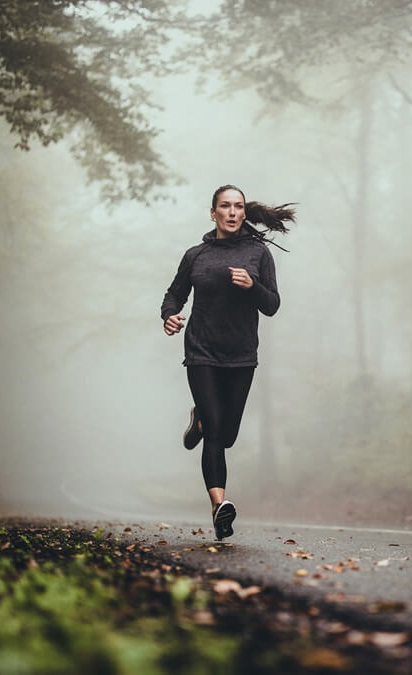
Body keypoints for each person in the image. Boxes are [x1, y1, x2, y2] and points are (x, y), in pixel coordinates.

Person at [160, 185, 294, 540]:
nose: (232, 212)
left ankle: (199, 420)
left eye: (237, 207)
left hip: (241, 355)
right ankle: (219, 506)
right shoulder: (196, 255)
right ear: (213, 212)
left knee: (228, 433)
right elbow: (174, 294)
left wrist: (252, 285)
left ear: (244, 213)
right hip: (201, 352)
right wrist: (170, 316)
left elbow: (272, 304)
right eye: (225, 206)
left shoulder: (258, 254)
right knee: (217, 433)